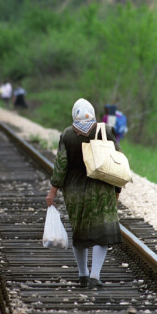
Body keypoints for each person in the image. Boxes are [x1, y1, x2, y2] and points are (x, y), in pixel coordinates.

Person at [46, 98, 122, 288]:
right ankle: (95, 276)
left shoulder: (67, 135)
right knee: (101, 232)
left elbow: (60, 166)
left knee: (79, 232)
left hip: (75, 190)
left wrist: (52, 192)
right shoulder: (105, 131)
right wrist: (117, 189)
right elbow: (118, 161)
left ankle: (82, 275)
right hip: (101, 188)